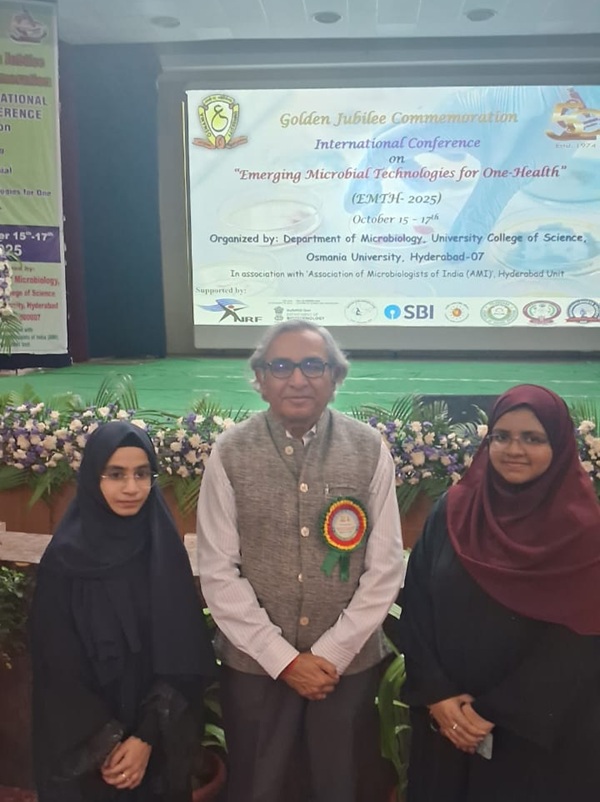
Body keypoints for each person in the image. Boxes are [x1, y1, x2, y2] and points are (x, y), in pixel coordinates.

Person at [196, 320, 404, 802]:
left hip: (345, 671)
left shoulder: (368, 448)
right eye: (281, 366)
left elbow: (385, 566)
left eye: (313, 365)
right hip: (255, 668)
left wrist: (329, 654)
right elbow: (219, 571)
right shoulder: (230, 452)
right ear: (260, 378)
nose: (297, 379)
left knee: (339, 784)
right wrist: (284, 660)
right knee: (257, 787)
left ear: (335, 376)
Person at [395, 384, 600, 802]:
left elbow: (580, 640)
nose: (514, 449)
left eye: (533, 438)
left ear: (560, 445)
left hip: (537, 738)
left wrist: (491, 712)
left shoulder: (584, 532)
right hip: (446, 725)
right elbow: (416, 605)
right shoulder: (452, 510)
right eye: (501, 436)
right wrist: (437, 693)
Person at [31, 421, 216, 802]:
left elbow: (183, 654)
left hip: (156, 745)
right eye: (116, 474)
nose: (132, 488)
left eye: (142, 474)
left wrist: (145, 738)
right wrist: (107, 744)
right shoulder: (64, 562)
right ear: (92, 478)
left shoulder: (164, 554)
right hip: (84, 746)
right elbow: (56, 665)